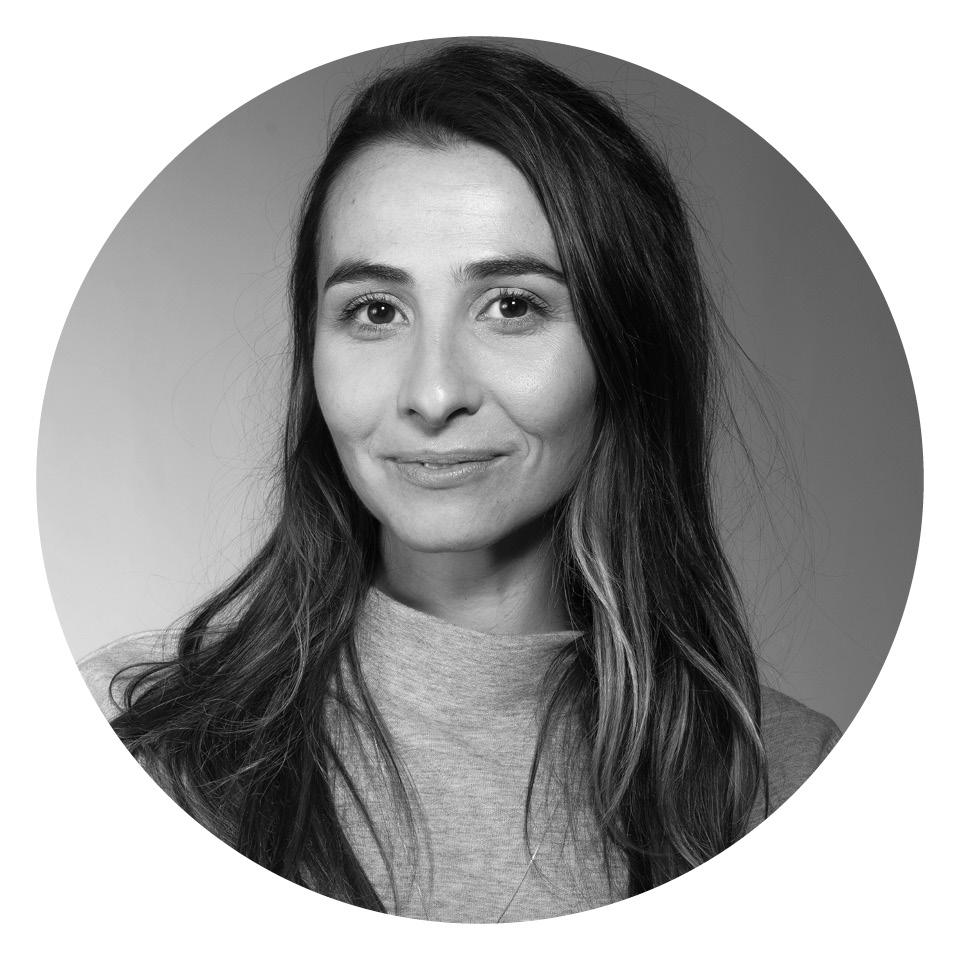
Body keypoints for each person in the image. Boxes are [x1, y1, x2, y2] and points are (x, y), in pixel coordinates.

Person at [78, 41, 840, 922]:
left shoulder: (789, 776)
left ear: (627, 349)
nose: (434, 394)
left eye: (512, 305)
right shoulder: (133, 738)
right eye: (375, 310)